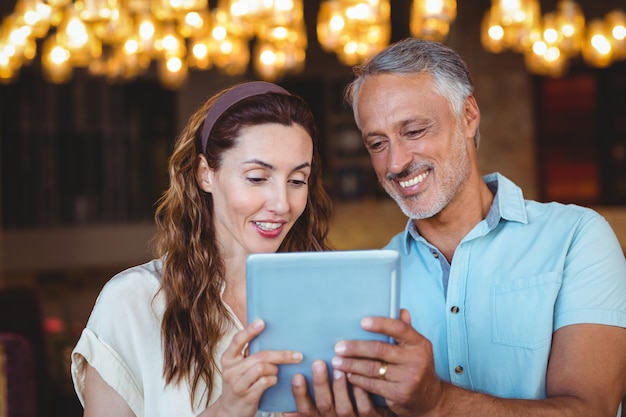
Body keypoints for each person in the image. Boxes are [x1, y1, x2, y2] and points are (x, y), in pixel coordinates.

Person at [308, 38, 626, 417]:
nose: (395, 163)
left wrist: (437, 401)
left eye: (414, 131)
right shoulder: (374, 277)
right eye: (377, 143)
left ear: (469, 115)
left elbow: (592, 410)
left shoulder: (577, 237)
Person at [70, 81, 337, 417]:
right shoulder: (132, 302)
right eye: (257, 177)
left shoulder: (325, 296)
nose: (282, 203)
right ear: (205, 174)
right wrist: (226, 410)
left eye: (297, 180)